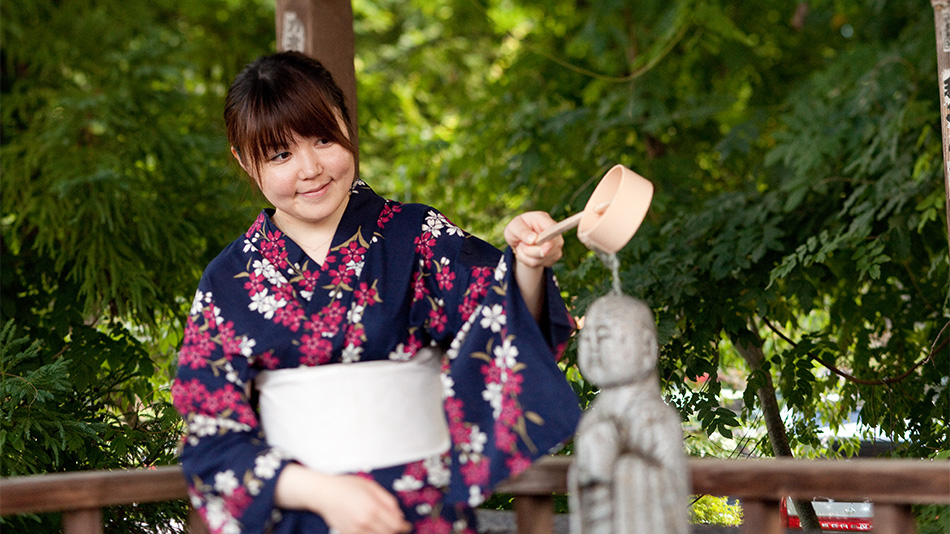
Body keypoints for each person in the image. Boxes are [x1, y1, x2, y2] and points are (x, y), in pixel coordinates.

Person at [172, 51, 581, 534]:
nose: (310, 167)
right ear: (245, 161)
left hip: (420, 510)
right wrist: (324, 491)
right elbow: (210, 435)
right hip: (300, 514)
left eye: (325, 138)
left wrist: (527, 266)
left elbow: (503, 323)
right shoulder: (227, 280)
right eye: (281, 154)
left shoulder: (416, 235)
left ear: (348, 123)